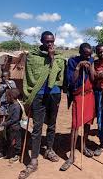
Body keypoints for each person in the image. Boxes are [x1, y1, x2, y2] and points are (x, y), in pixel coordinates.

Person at [19, 31, 66, 179]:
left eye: (52, 41)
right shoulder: (33, 57)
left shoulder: (58, 57)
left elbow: (59, 77)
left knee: (52, 124)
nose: (50, 44)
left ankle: (49, 149)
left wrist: (52, 59)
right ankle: (33, 160)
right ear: (41, 41)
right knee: (37, 127)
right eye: (47, 41)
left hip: (54, 94)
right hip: (38, 95)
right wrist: (29, 94)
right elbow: (28, 76)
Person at [60, 43, 95, 171]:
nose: (88, 56)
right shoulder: (72, 61)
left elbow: (93, 78)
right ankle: (72, 156)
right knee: (75, 125)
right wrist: (78, 68)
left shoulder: (91, 60)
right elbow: (71, 81)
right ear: (80, 53)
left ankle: (84, 146)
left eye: (89, 54)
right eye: (85, 54)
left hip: (89, 95)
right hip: (78, 95)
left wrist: (91, 67)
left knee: (87, 123)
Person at [0, 88, 22, 163]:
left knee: (16, 142)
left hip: (15, 128)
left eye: (7, 96)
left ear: (11, 97)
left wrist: (4, 123)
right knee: (9, 140)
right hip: (10, 127)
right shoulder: (11, 105)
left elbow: (15, 119)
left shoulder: (17, 107)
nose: (6, 98)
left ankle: (17, 155)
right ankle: (8, 153)